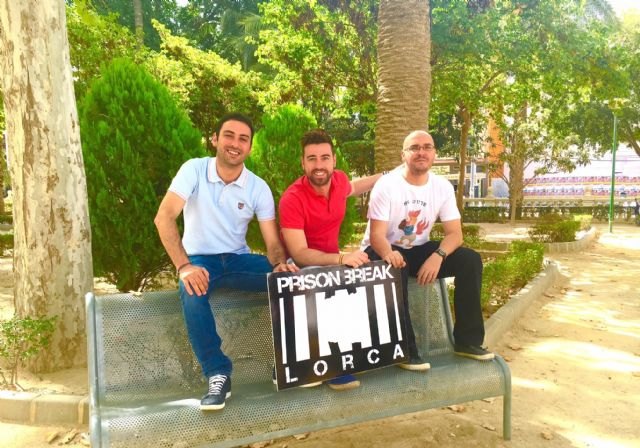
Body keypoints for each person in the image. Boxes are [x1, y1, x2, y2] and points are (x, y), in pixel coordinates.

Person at [154, 113, 297, 412]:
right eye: (229, 135)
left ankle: (288, 362)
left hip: (238, 260)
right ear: (215, 139)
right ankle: (217, 373)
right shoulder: (194, 169)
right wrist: (184, 267)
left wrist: (280, 264)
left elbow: (272, 243)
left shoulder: (258, 187)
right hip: (199, 260)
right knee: (192, 291)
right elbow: (164, 217)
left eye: (243, 139)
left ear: (250, 147)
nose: (235, 143)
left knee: (290, 281)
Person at [278, 129, 428, 391]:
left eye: (325, 158)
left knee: (372, 276)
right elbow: (299, 253)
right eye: (312, 159)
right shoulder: (292, 199)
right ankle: (328, 367)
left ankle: (373, 353)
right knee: (327, 283)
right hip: (302, 268)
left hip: (334, 263)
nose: (319, 165)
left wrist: (388, 175)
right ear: (303, 163)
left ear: (334, 161)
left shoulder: (338, 180)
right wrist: (341, 257)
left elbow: (355, 187)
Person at [361, 130, 495, 366]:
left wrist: (438, 256)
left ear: (434, 153)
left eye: (427, 147)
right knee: (397, 267)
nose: (421, 152)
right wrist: (390, 254)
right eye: (414, 148)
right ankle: (405, 350)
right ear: (403, 155)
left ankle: (467, 341)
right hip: (381, 250)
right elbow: (376, 236)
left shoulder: (442, 186)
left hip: (418, 249)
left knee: (470, 260)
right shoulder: (387, 185)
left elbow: (455, 234)